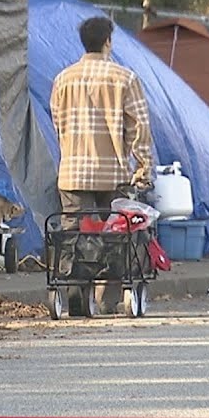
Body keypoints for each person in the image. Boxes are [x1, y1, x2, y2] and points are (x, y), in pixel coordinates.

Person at [49, 16, 154, 312]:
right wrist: (143, 167)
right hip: (113, 172)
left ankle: (74, 294)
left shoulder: (63, 79)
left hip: (73, 172)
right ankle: (107, 298)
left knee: (74, 232)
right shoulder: (125, 78)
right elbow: (139, 127)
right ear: (108, 41)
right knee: (115, 235)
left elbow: (58, 122)